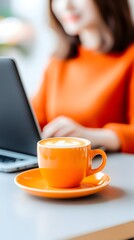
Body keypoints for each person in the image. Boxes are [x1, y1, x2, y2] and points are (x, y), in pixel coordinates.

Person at [32, 0, 134, 153]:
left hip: (110, 171)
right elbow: (35, 120)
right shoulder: (59, 61)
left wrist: (90, 136)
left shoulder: (129, 57)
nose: (65, 6)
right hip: (60, 169)